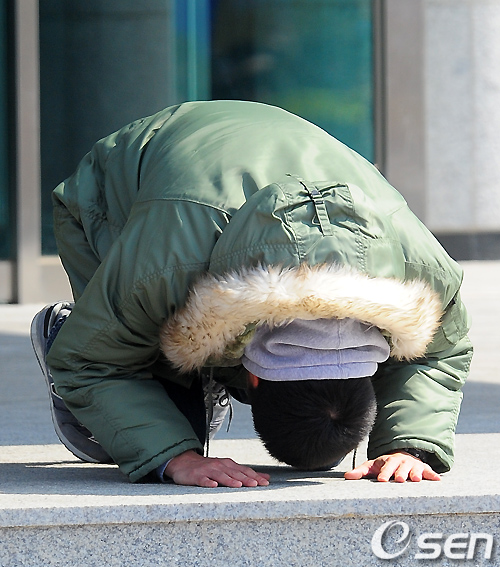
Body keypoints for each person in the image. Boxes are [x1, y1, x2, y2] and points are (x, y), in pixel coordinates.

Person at [31, 100, 472, 487]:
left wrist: (408, 446)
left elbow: (441, 352)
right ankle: (69, 327)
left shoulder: (421, 278)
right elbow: (88, 362)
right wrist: (175, 458)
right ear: (253, 378)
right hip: (129, 180)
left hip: (254, 160)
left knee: (314, 434)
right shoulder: (163, 268)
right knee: (151, 402)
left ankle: (206, 375)